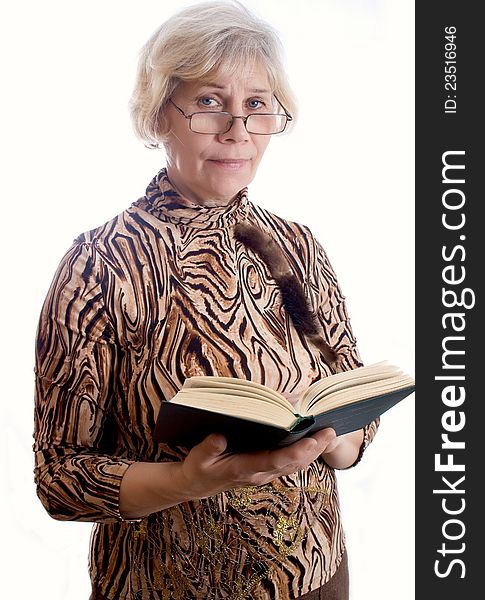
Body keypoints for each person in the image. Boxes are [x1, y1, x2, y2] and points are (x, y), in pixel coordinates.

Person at [33, 1, 379, 598]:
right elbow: (59, 476)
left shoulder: (298, 245)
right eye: (210, 102)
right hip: (166, 585)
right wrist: (183, 481)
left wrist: (339, 440)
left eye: (257, 105)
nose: (237, 130)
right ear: (159, 112)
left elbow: (350, 387)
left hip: (320, 576)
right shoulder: (99, 264)